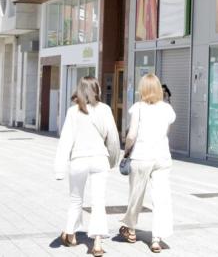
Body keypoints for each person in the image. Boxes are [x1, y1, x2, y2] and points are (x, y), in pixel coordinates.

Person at [54, 76, 120, 257]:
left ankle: (71, 234)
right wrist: (113, 160)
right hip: (100, 159)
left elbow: (65, 142)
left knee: (76, 200)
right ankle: (97, 243)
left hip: (79, 160)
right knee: (98, 201)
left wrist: (59, 168)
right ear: (97, 88)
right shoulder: (105, 109)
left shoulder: (73, 111)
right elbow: (113, 138)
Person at [119, 74, 176, 253]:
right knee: (161, 198)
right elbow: (166, 131)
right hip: (162, 157)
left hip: (142, 156)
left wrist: (127, 150)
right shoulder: (167, 109)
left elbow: (131, 135)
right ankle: (156, 239)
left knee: (136, 195)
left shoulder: (138, 108)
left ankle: (131, 230)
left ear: (142, 89)